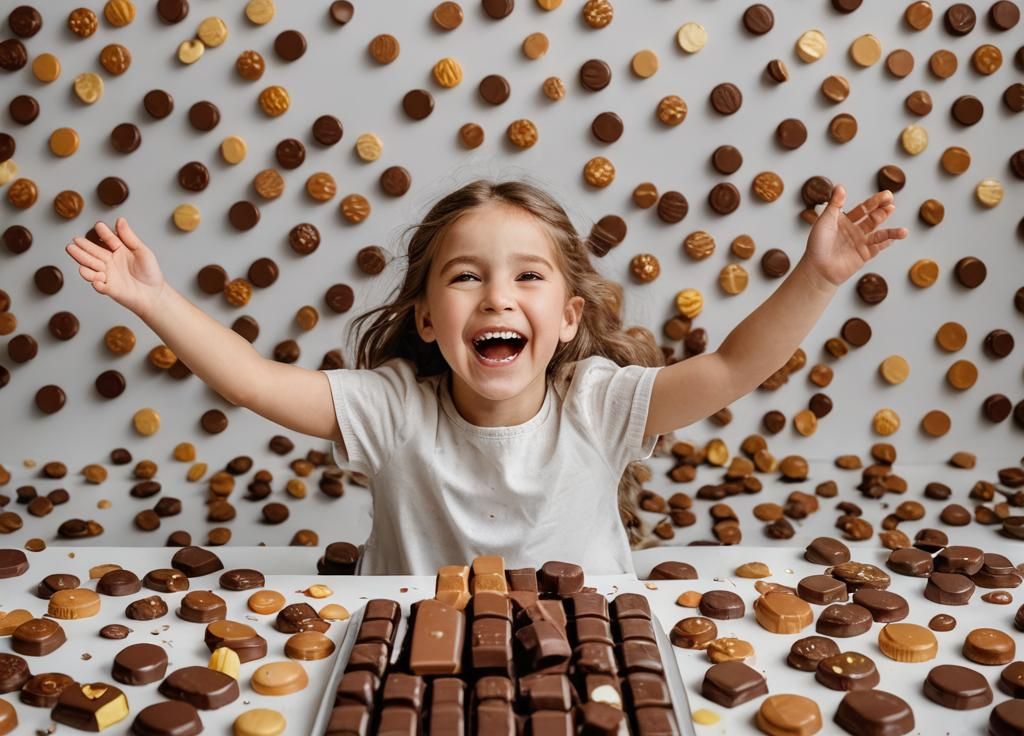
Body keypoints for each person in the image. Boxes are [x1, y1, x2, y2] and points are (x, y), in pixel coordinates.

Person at [65, 176, 907, 575]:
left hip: (585, 659)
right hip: (408, 664)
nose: (498, 296)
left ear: (569, 318)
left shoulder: (598, 404)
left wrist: (817, 278)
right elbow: (252, 380)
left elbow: (730, 365)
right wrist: (155, 299)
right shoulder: (395, 410)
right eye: (466, 277)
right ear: (428, 319)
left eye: (528, 277)